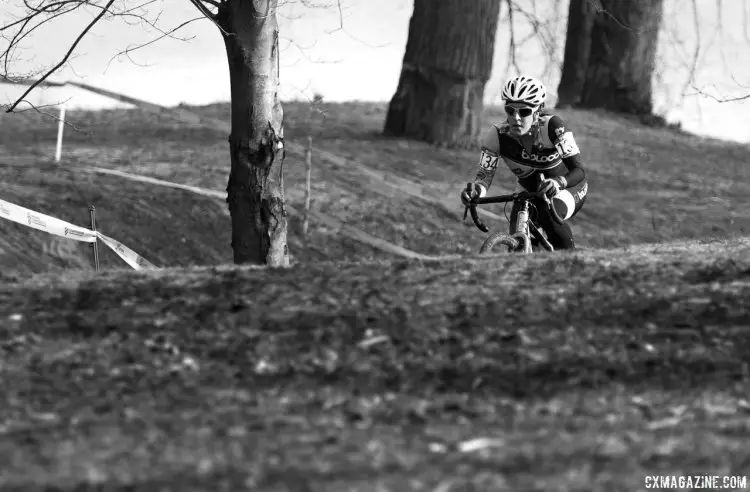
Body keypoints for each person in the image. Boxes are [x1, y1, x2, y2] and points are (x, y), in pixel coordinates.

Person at [460, 75, 589, 250]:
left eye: (525, 111)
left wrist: (558, 182)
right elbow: (484, 177)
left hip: (568, 187)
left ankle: (569, 262)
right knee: (517, 238)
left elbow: (578, 170)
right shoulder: (497, 135)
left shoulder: (553, 127)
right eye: (510, 110)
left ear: (539, 110)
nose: (516, 117)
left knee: (548, 213)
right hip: (528, 191)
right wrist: (476, 192)